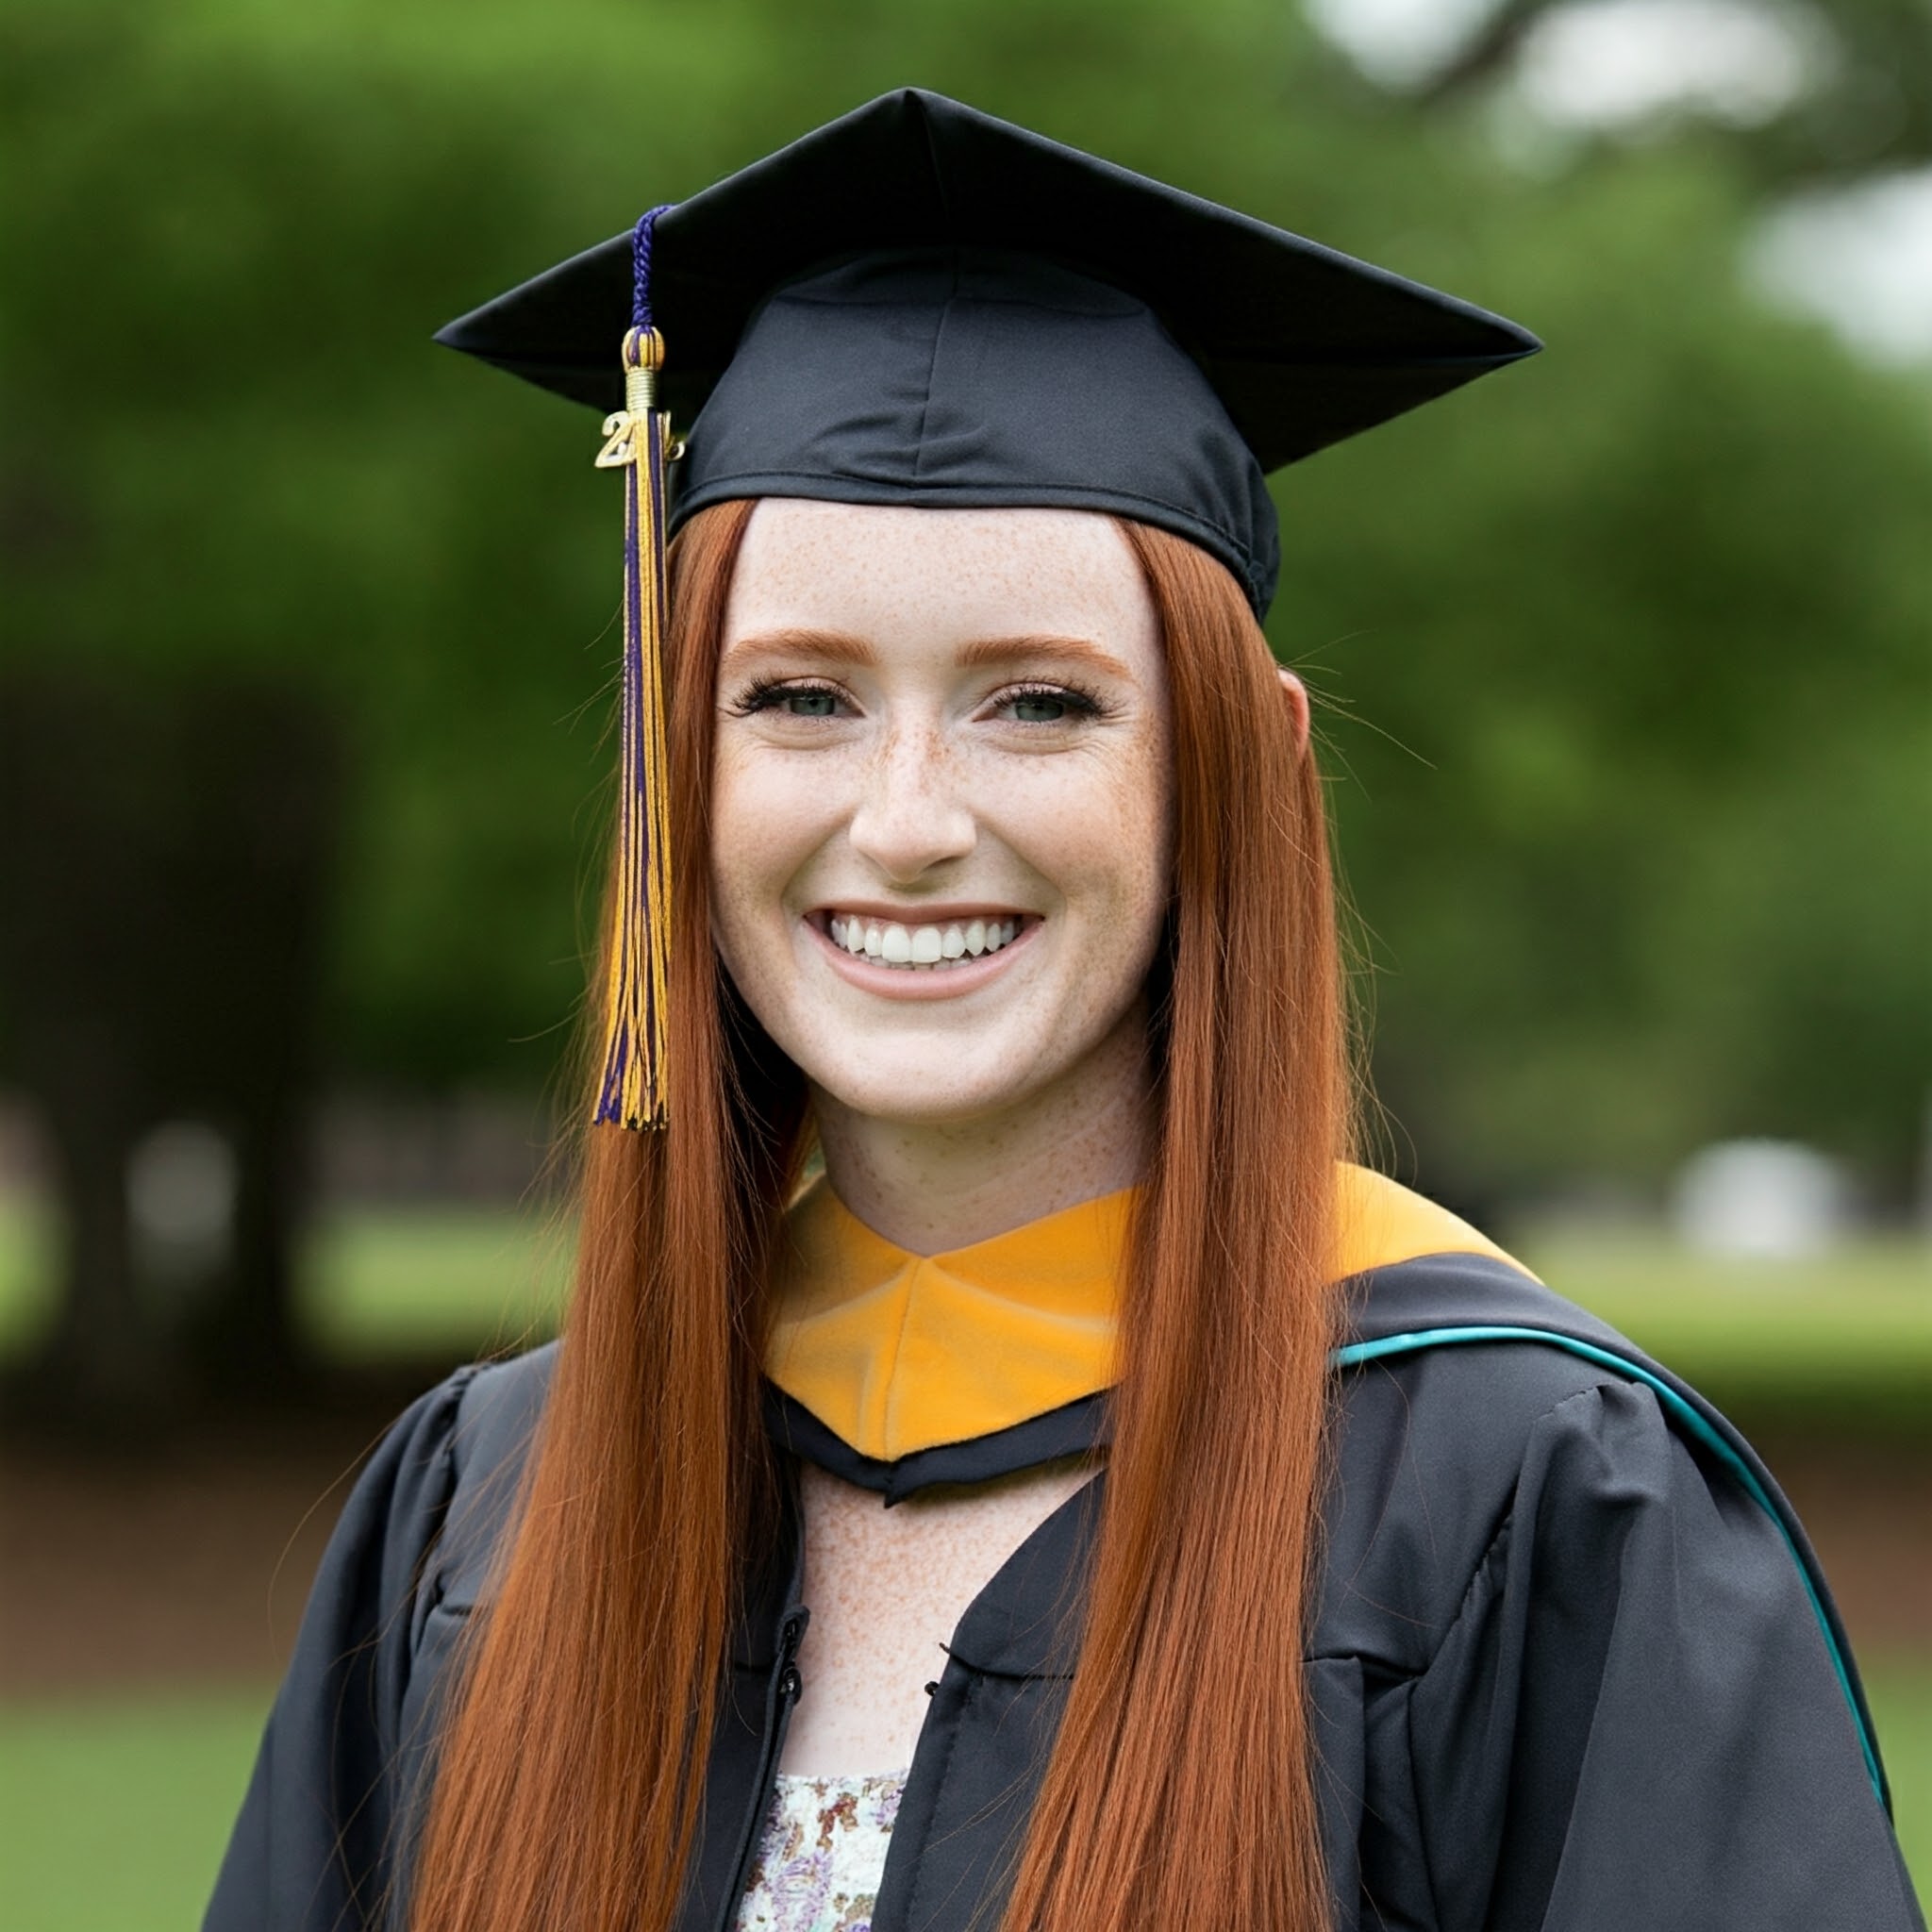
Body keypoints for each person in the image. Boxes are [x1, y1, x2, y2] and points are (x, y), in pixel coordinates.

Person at [205, 90, 1923, 1932]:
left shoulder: (1527, 1506)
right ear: (669, 764)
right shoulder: (491, 1505)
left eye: (1037, 703)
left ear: (1229, 769)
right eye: (797, 697)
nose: (909, 822)